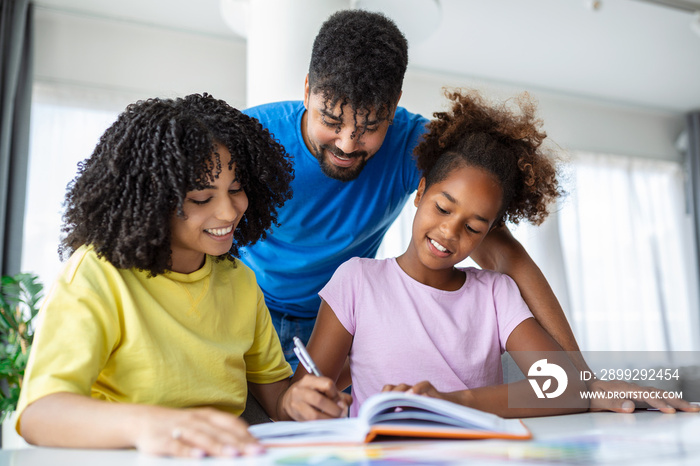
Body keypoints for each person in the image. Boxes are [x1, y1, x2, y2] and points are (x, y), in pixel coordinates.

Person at [242, 9, 699, 414]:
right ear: (306, 91)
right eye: (331, 120)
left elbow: (505, 257)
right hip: (254, 315)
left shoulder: (413, 147)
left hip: (338, 322)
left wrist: (580, 382)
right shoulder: (254, 138)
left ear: (393, 111)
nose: (346, 144)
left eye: (368, 128)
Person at [15, 94, 349, 458]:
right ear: (154, 200)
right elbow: (38, 414)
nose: (228, 211)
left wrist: (296, 402)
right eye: (202, 198)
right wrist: (151, 425)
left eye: (236, 189)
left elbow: (276, 402)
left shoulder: (240, 282)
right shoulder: (98, 275)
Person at [283, 90, 590, 418]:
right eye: (442, 208)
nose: (449, 233)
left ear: (489, 233)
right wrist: (304, 403)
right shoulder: (357, 280)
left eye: (473, 228)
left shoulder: (496, 294)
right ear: (420, 191)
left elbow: (567, 387)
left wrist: (452, 402)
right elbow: (296, 404)